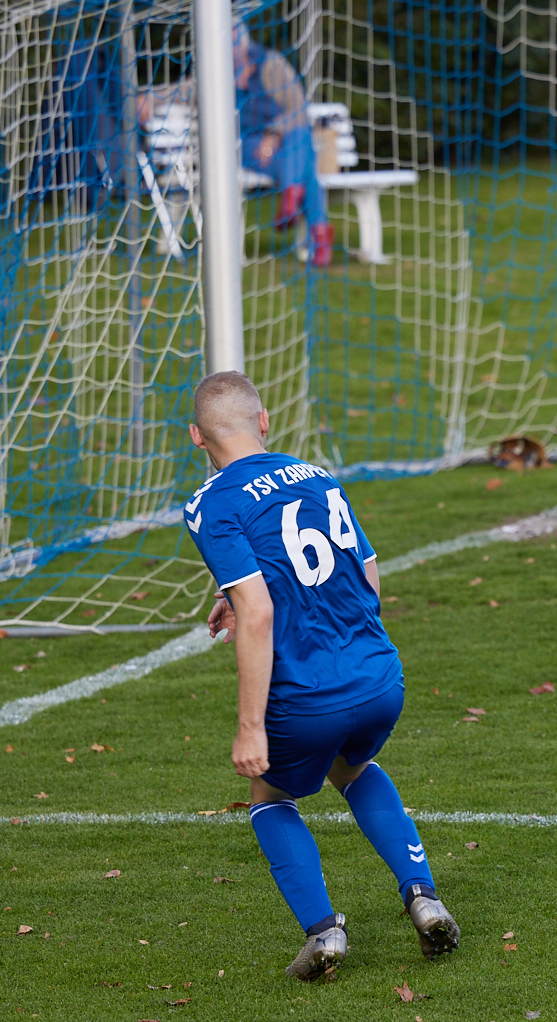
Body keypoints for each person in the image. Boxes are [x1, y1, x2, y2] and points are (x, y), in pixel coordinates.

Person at [186, 370, 458, 977]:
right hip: (379, 677)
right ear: (264, 421)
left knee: (269, 796)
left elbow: (259, 614)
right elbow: (365, 576)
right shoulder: (317, 475)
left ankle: (323, 934)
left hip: (308, 698)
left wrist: (249, 726)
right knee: (352, 767)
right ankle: (424, 898)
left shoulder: (210, 504)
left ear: (197, 437)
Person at [231, 22, 332, 266]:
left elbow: (298, 108)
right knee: (306, 165)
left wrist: (274, 134)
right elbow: (184, 90)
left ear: (243, 43)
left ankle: (291, 198)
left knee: (299, 134)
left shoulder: (270, 65)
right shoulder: (215, 75)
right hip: (248, 146)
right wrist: (149, 99)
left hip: (282, 142)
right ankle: (318, 236)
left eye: (233, 41)